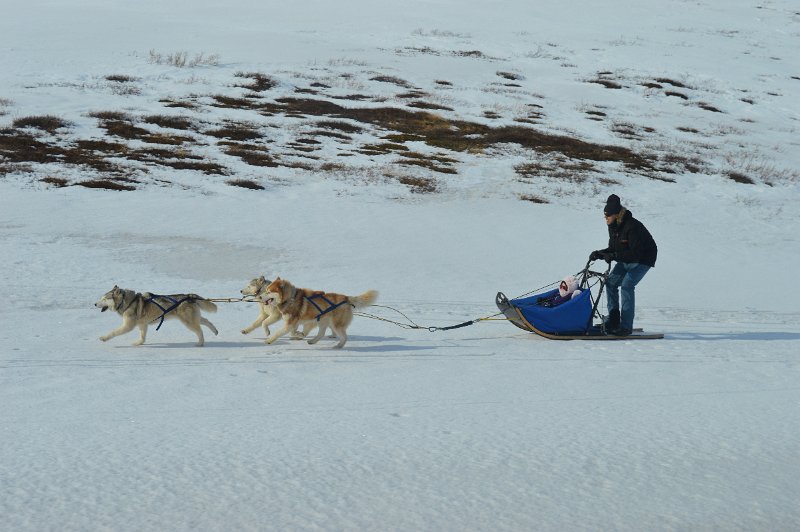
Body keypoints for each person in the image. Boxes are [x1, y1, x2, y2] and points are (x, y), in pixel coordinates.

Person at [589, 194, 657, 336]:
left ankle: (626, 326)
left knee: (627, 286)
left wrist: (613, 256)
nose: (605, 218)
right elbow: (613, 249)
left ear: (616, 214)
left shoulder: (631, 226)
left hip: (644, 259)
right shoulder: (613, 227)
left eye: (608, 215)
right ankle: (613, 320)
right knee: (610, 283)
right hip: (627, 258)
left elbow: (636, 254)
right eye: (604, 215)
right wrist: (600, 253)